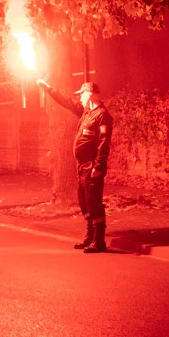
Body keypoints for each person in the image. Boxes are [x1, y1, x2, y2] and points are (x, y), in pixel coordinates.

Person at [37, 79, 114, 253]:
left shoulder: (102, 115)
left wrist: (98, 166)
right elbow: (67, 102)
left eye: (82, 94)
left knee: (93, 201)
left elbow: (104, 143)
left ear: (92, 95)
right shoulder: (86, 112)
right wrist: (49, 89)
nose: (79, 98)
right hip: (82, 166)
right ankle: (90, 235)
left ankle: (99, 240)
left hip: (92, 165)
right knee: (84, 201)